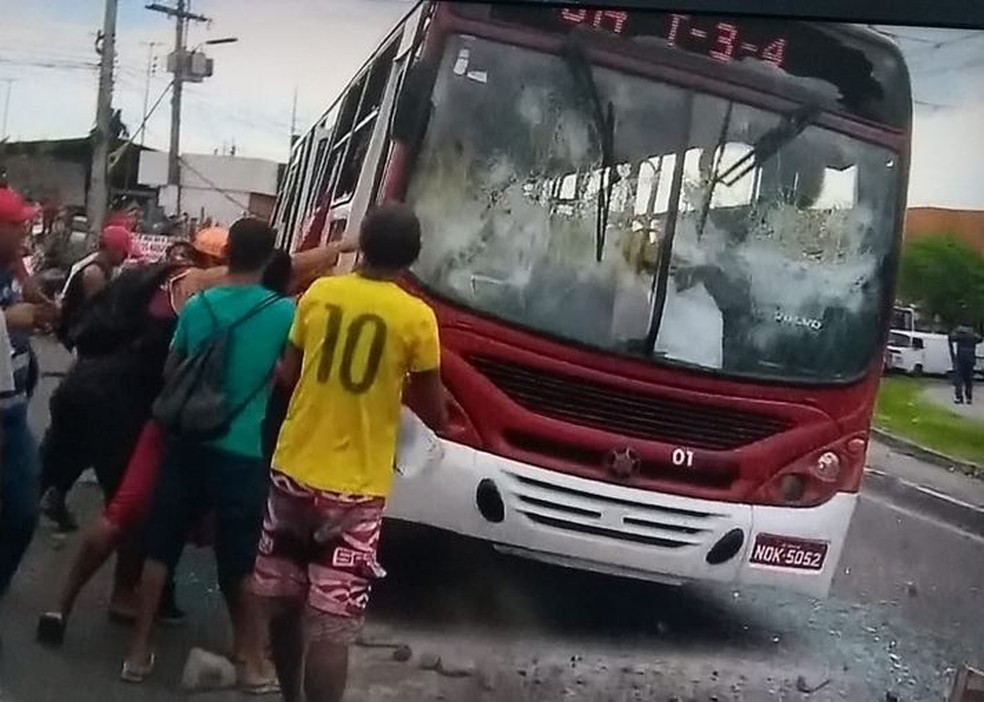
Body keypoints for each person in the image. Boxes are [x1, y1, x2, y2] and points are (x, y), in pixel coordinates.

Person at [37, 232, 356, 651]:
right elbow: (286, 368)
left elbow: (172, 367)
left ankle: (80, 614)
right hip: (194, 429)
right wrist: (339, 248)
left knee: (123, 512)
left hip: (142, 413)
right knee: (222, 540)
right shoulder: (250, 303)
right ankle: (247, 651)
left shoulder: (181, 291)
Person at [251, 204, 447, 702]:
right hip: (355, 491)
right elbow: (435, 412)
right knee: (332, 625)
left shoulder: (319, 294)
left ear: (361, 243)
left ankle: (288, 696)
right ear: (413, 256)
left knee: (283, 598)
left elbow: (289, 376)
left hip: (294, 468)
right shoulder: (417, 318)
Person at [122, 219, 294, 693]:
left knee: (162, 546)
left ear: (228, 254)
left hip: (187, 442)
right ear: (267, 257)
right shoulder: (284, 312)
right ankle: (254, 662)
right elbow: (287, 378)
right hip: (240, 448)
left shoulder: (198, 305)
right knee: (240, 559)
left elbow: (171, 369)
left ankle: (138, 653)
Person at [40, 224, 135, 531]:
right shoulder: (95, 272)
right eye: (122, 251)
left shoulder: (98, 267)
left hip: (90, 358)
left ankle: (53, 494)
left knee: (75, 441)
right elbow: (104, 314)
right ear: (112, 248)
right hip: (91, 353)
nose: (124, 257)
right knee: (92, 440)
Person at [0, 187, 57, 609]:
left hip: (13, 411)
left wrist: (32, 303)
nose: (26, 230)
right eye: (17, 224)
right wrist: (5, 319)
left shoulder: (11, 266)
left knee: (22, 512)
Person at [949, 323, 982, 405]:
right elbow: (980, 339)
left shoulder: (960, 336)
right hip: (970, 360)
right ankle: (969, 398)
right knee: (969, 380)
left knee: (959, 380)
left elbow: (951, 338)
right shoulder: (973, 337)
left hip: (960, 359)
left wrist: (955, 331)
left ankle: (959, 397)